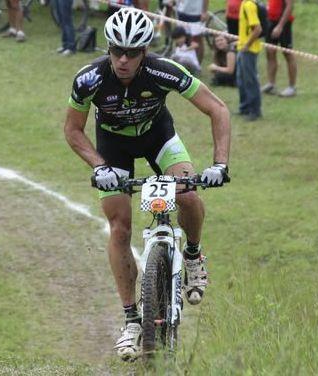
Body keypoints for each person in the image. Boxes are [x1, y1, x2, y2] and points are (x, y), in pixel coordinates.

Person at [64, 8, 230, 360]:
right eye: (116, 51)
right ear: (108, 49)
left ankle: (194, 255)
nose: (123, 60)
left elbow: (217, 109)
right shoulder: (88, 80)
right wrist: (98, 166)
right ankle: (131, 320)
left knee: (186, 193)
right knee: (119, 227)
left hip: (159, 137)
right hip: (113, 148)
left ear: (145, 52)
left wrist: (219, 164)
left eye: (132, 53)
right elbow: (73, 130)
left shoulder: (162, 70)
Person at [261, 0, 298, 97]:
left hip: (283, 23)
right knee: (270, 52)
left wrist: (280, 26)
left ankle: (292, 87)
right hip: (270, 20)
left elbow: (289, 6)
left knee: (288, 53)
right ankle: (271, 84)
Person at [236, 0, 263, 120]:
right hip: (242, 48)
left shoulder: (249, 5)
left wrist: (247, 44)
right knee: (241, 78)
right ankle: (244, 107)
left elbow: (257, 29)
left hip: (249, 50)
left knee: (250, 80)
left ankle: (255, 110)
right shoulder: (244, 3)